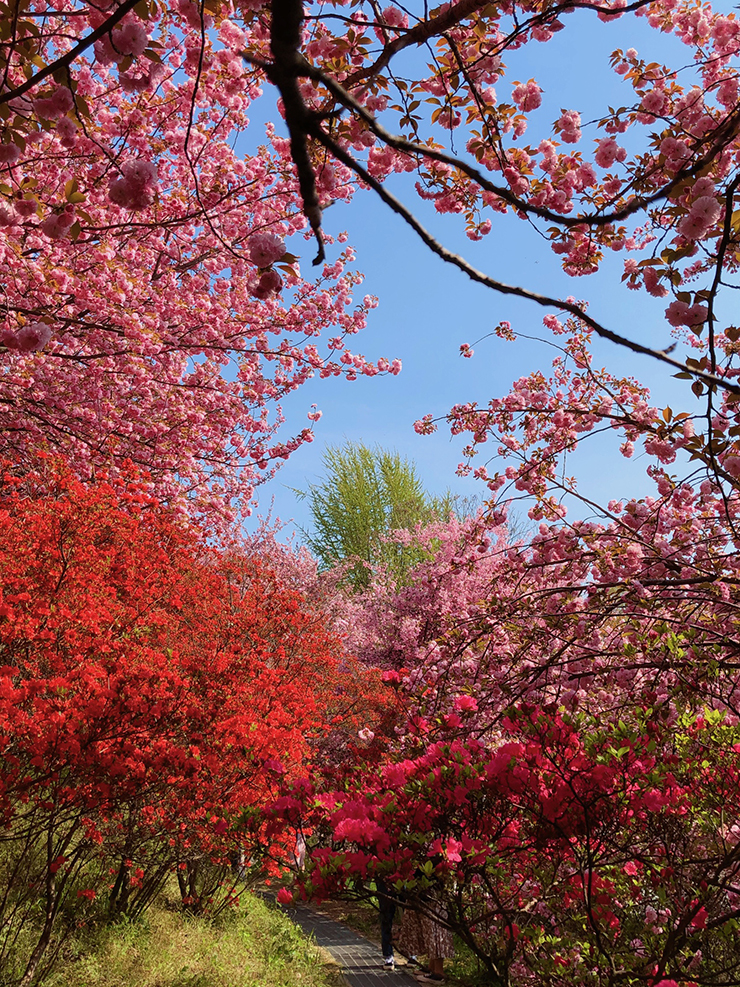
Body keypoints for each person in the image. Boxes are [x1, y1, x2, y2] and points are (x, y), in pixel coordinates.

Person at [397, 895, 454, 982]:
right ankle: (432, 968)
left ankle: (438, 973)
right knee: (428, 929)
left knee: (434, 929)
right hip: (421, 895)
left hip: (431, 897)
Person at [376, 877, 397, 968]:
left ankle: (411, 953)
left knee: (409, 916)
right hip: (383, 878)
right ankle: (388, 954)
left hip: (404, 876)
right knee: (386, 917)